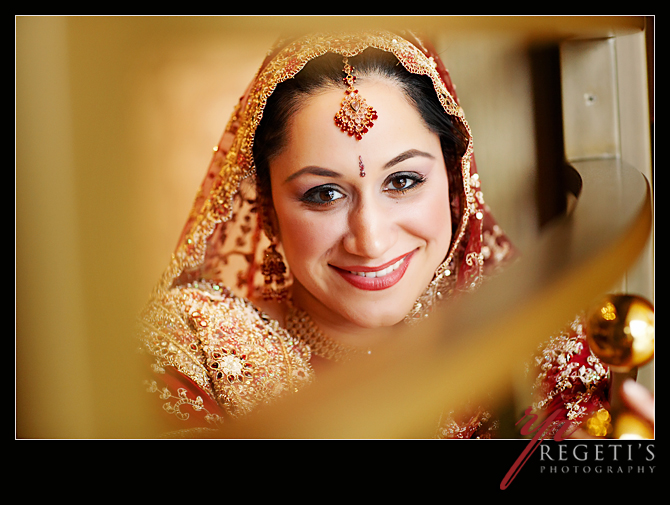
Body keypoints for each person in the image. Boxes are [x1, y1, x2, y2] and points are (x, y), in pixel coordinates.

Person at [137, 30, 647, 439]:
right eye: (323, 194)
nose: (371, 239)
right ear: (267, 203)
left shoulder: (531, 343)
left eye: (403, 181)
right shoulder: (193, 343)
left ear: (454, 178)